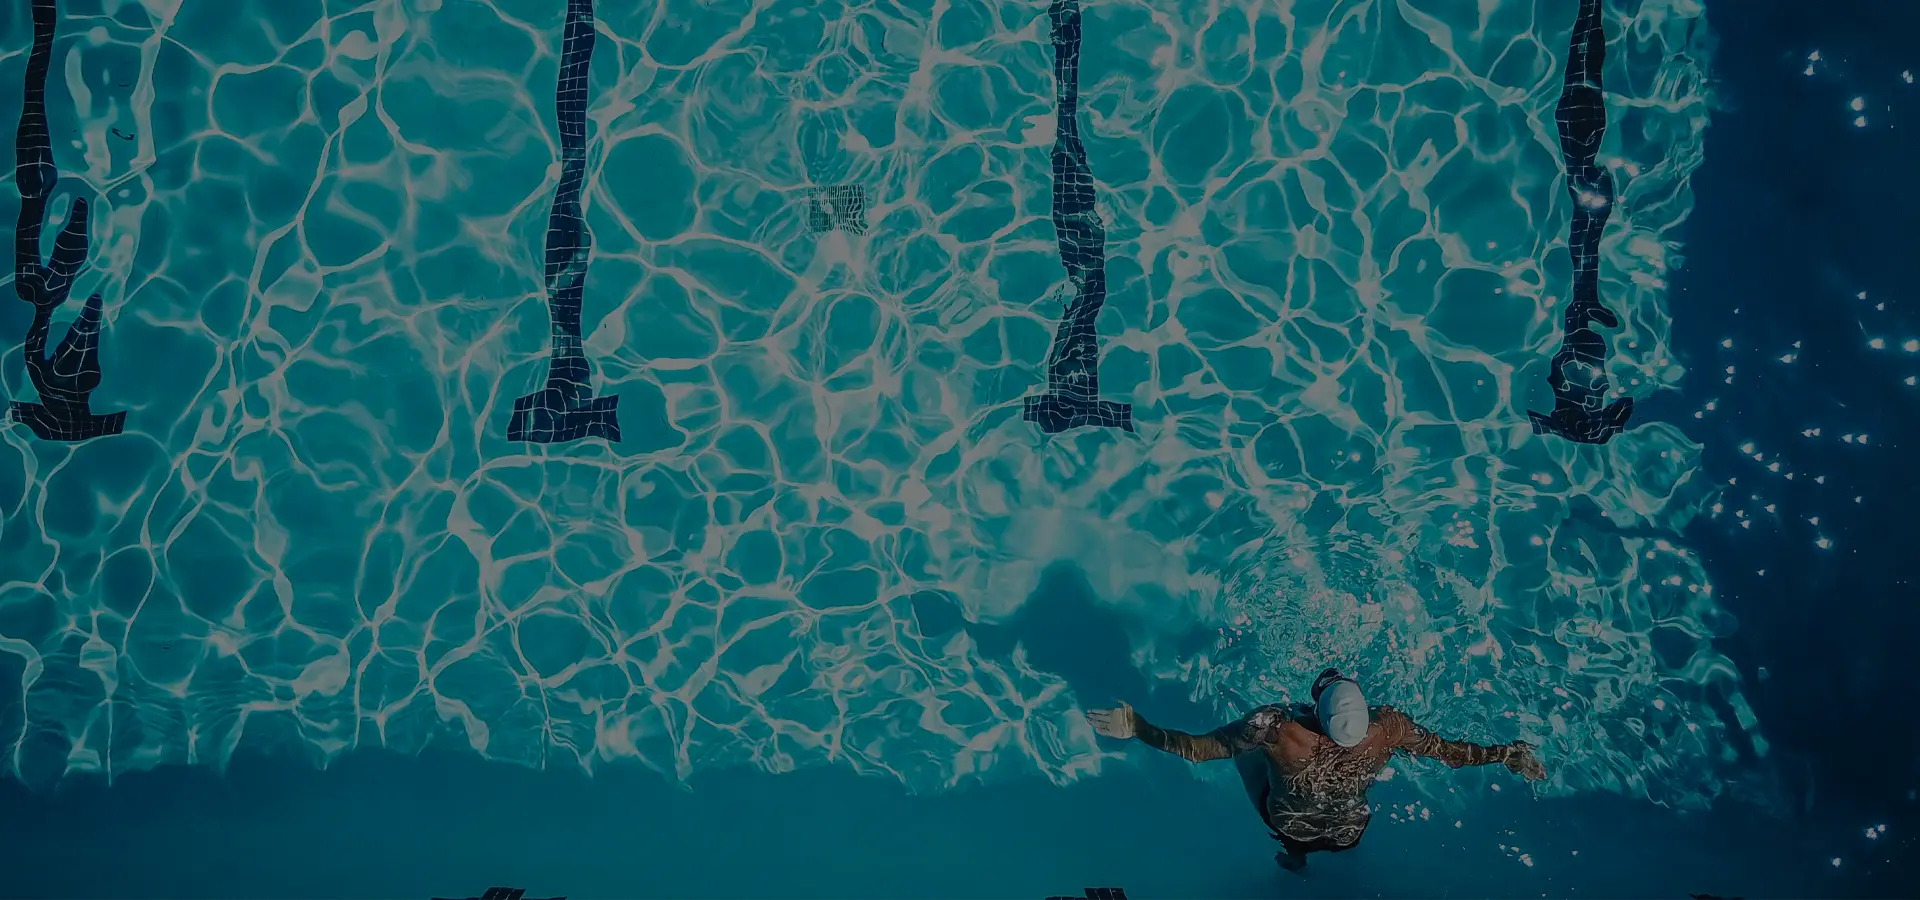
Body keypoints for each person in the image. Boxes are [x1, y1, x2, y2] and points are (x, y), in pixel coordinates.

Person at [1085, 668, 1547, 871]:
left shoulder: (1277, 729)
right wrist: (1506, 755)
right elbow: (1450, 753)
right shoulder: (1389, 728)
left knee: (1244, 752)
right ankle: (1332, 860)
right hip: (1350, 828)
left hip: (1291, 825)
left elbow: (1198, 750)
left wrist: (1140, 728)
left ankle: (1294, 863)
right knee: (1338, 831)